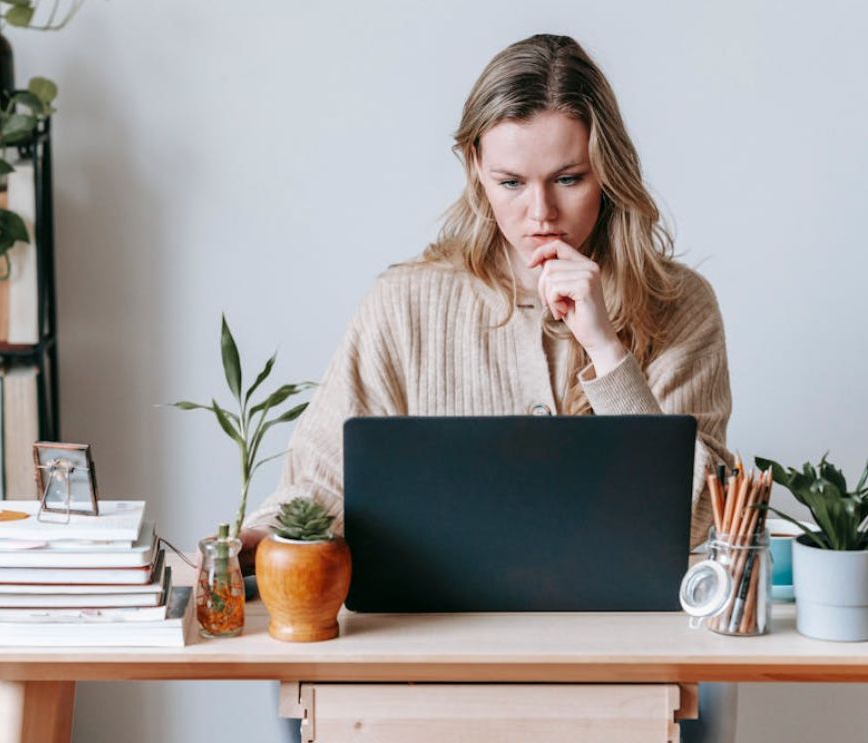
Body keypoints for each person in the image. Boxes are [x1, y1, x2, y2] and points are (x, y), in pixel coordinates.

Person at [239, 34, 736, 743]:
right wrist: (250, 543)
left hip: (621, 663)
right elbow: (319, 481)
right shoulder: (403, 303)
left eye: (567, 178)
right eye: (510, 182)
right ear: (474, 167)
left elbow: (704, 525)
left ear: (609, 171)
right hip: (428, 657)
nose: (539, 214)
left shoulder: (680, 305)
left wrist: (604, 347)